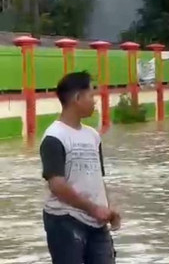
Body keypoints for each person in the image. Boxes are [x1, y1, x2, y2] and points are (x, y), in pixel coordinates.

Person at [40, 71, 120, 264]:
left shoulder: (93, 136)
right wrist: (93, 208)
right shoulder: (54, 137)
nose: (95, 101)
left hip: (97, 223)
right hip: (65, 221)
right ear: (77, 98)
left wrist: (108, 210)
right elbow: (57, 185)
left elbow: (97, 179)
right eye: (91, 95)